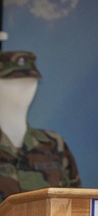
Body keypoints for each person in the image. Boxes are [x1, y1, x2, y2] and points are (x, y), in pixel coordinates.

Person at [0, 50, 81, 201]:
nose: (24, 89)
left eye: (30, 82)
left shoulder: (54, 144)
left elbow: (76, 205)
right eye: (13, 82)